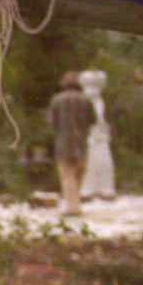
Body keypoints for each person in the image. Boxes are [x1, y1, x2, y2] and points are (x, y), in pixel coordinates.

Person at [48, 71, 97, 216]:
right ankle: (75, 204)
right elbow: (93, 120)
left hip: (64, 143)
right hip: (81, 143)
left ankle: (73, 207)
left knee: (67, 175)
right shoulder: (86, 100)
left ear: (63, 84)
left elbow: (53, 123)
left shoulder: (56, 100)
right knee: (79, 174)